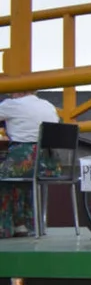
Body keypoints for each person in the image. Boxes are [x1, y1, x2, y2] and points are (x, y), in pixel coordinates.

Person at [0, 91, 61, 238]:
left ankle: (4, 227)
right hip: (50, 164)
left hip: (26, 159)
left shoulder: (11, 105)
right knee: (20, 180)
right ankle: (23, 225)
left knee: (6, 176)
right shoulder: (48, 105)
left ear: (18, 90)